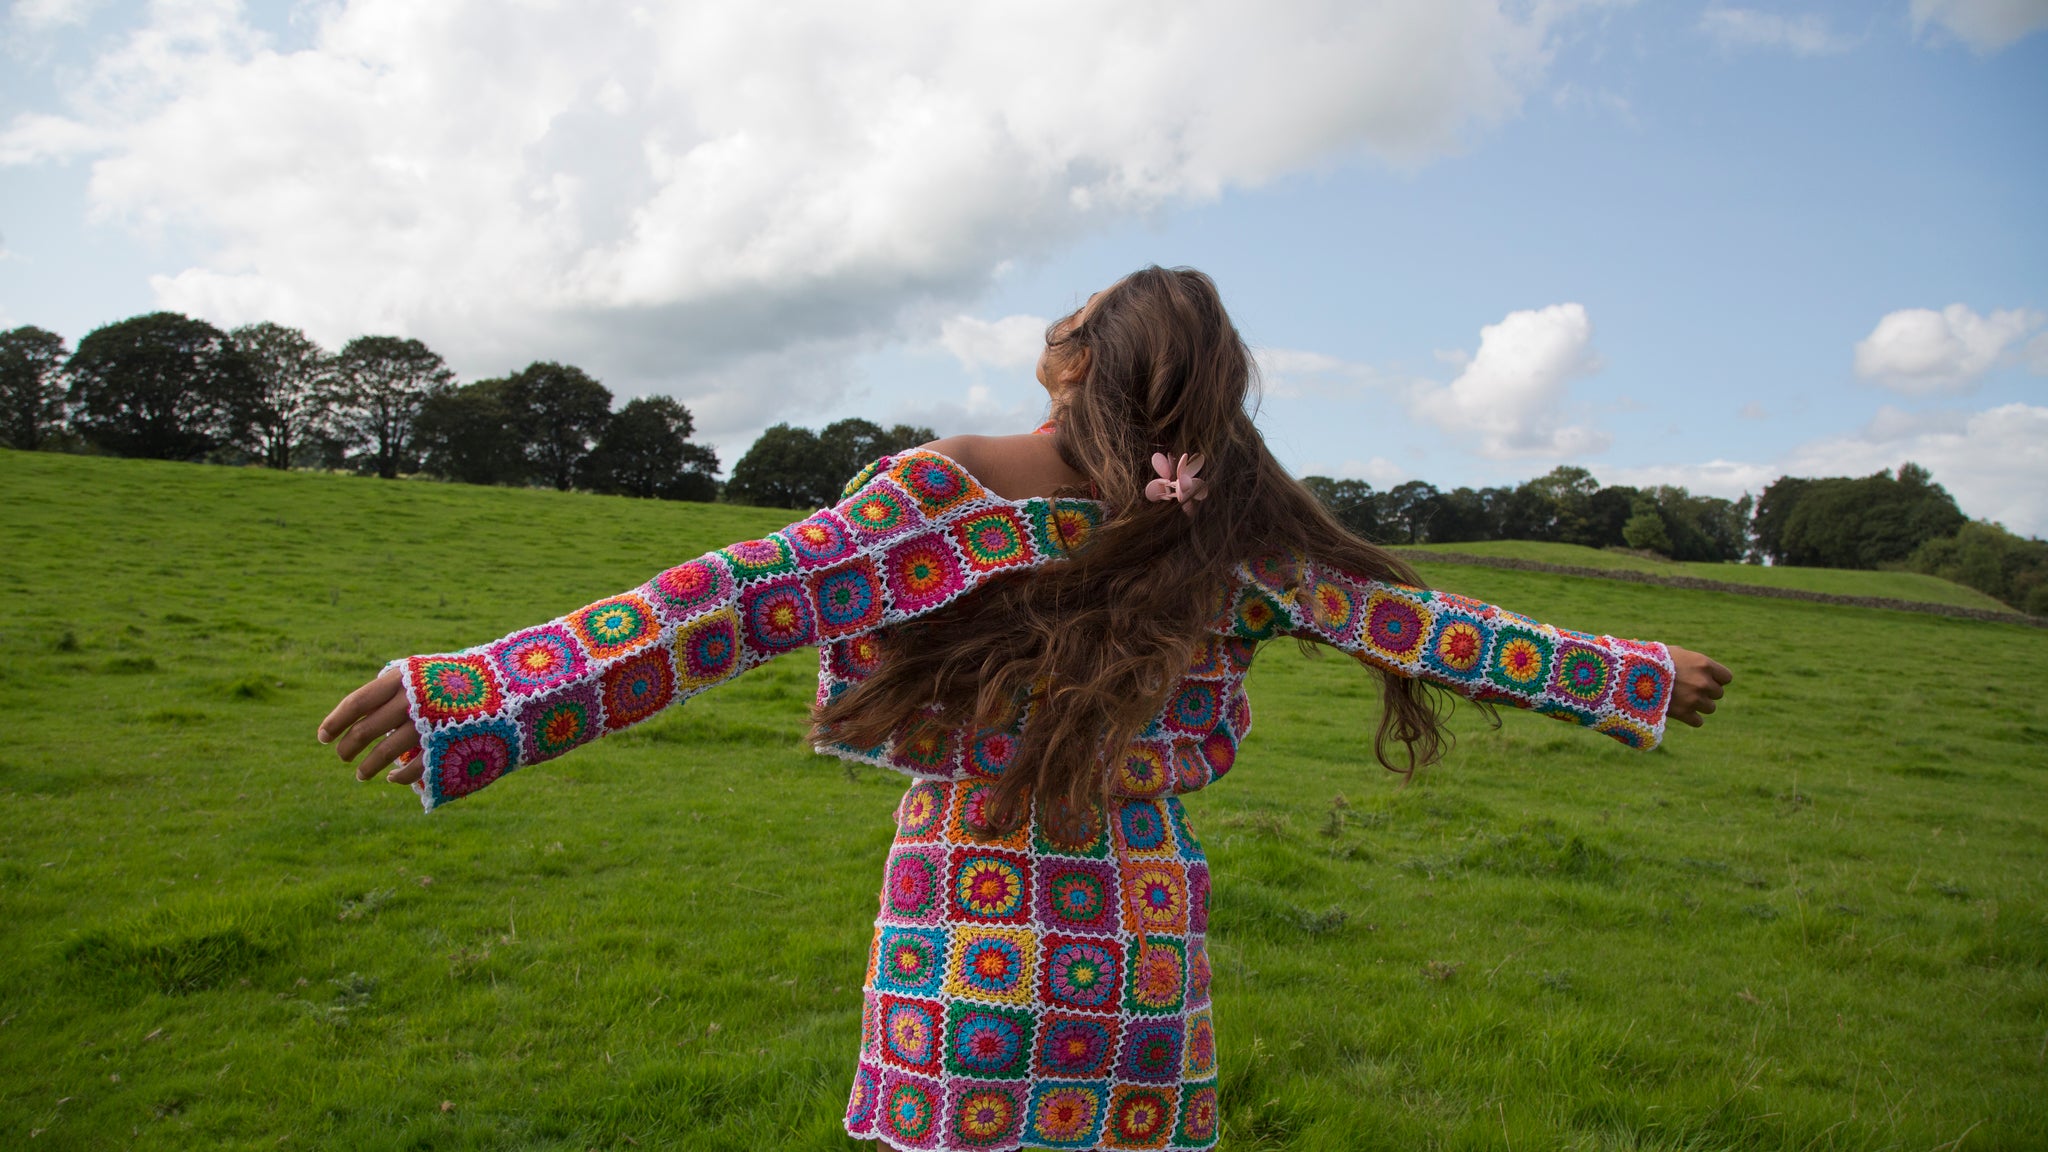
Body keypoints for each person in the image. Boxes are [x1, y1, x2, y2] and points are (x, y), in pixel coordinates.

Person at [318, 266, 1730, 1152]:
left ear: (1073, 363)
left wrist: (477, 697)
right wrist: (1633, 676)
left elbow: (728, 600)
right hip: (1141, 920)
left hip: (967, 903)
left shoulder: (944, 491)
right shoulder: (1217, 523)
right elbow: (1423, 627)